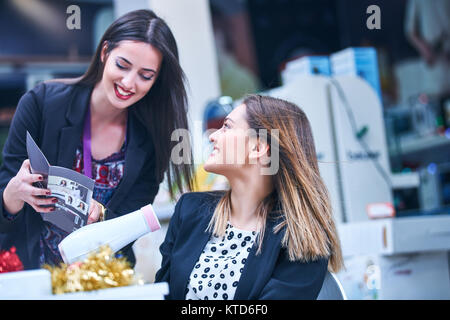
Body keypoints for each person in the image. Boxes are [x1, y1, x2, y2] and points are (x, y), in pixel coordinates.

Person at [0, 9, 194, 269]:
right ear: (105, 53)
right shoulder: (42, 103)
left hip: (102, 278)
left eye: (145, 76)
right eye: (122, 65)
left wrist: (101, 215)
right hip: (31, 275)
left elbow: (131, 225)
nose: (128, 82)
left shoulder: (151, 139)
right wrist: (12, 196)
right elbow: (5, 197)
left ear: (156, 80)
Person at [155, 94, 344, 300]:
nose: (212, 136)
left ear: (259, 148)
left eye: (227, 126)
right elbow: (159, 294)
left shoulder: (301, 238)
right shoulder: (189, 210)